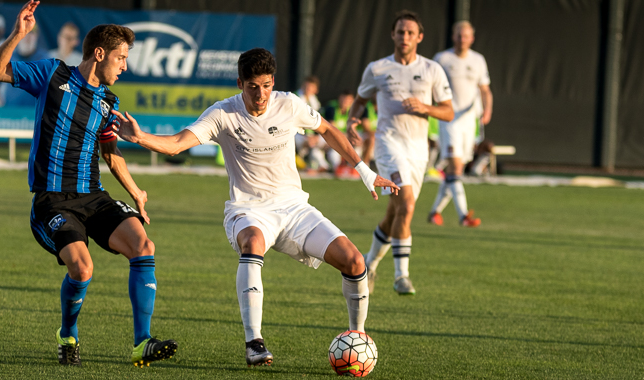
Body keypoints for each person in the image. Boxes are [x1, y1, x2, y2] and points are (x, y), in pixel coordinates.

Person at [112, 47, 399, 367]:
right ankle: (254, 343)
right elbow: (178, 143)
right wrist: (140, 138)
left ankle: (356, 338)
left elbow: (328, 130)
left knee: (355, 260)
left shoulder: (289, 104)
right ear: (240, 83)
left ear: (273, 82)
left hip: (294, 208)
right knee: (253, 242)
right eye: (252, 87)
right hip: (247, 210)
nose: (260, 94)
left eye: (266, 85)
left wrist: (365, 172)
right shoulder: (223, 113)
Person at [0, 1, 178, 367]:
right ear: (99, 54)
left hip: (94, 197)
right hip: (52, 202)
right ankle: (67, 333)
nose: (125, 66)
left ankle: (142, 342)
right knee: (82, 269)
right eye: (121, 58)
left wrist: (135, 191)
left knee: (143, 245)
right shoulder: (53, 74)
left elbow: (110, 152)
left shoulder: (108, 101)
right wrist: (18, 34)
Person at [345, 11, 455, 295]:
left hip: (418, 150)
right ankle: (401, 277)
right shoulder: (378, 68)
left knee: (396, 212)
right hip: (388, 144)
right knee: (406, 205)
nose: (404, 37)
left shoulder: (432, 70)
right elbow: (360, 101)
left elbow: (448, 111)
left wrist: (426, 108)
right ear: (392, 35)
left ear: (419, 37)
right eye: (400, 32)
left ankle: (369, 264)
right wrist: (352, 121)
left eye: (410, 33)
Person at [429, 21, 491, 227]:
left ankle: (434, 212)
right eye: (458, 35)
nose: (462, 39)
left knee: (457, 170)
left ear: (472, 38)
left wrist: (487, 110)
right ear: (453, 37)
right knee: (455, 167)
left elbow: (484, 89)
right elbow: (429, 85)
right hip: (449, 119)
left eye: (466, 36)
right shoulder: (442, 58)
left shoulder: (478, 60)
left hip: (469, 121)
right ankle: (464, 216)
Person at [1, 25, 51, 108]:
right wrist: (0, 108)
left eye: (31, 33)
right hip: (10, 115)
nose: (27, 36)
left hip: (35, 113)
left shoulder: (45, 58)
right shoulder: (8, 57)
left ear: (36, 36)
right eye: (24, 33)